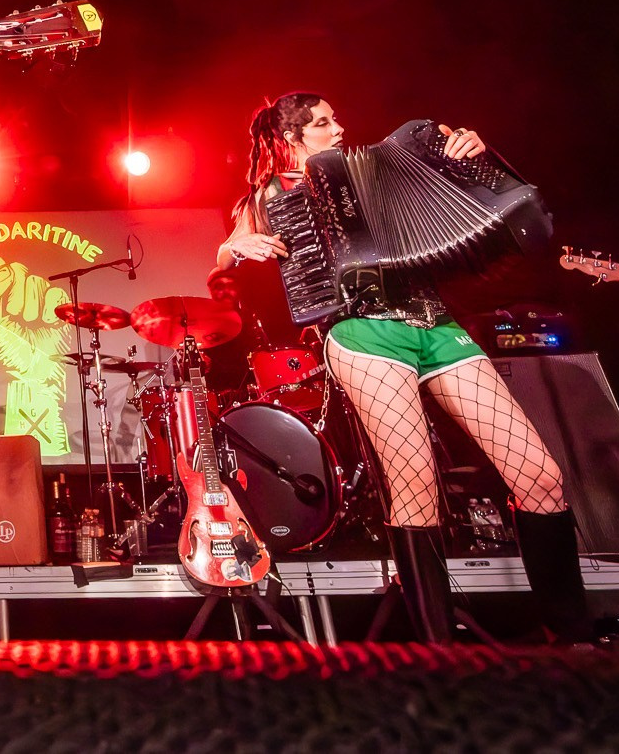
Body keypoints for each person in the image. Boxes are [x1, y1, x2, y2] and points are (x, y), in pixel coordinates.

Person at [217, 92, 589, 643]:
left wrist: (477, 155)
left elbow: (494, 201)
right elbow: (221, 262)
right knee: (415, 486)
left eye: (336, 118)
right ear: (291, 137)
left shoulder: (385, 164)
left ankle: (572, 636)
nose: (338, 128)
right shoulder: (273, 194)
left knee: (540, 476)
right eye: (323, 123)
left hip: (437, 324)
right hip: (363, 332)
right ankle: (437, 651)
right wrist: (237, 245)